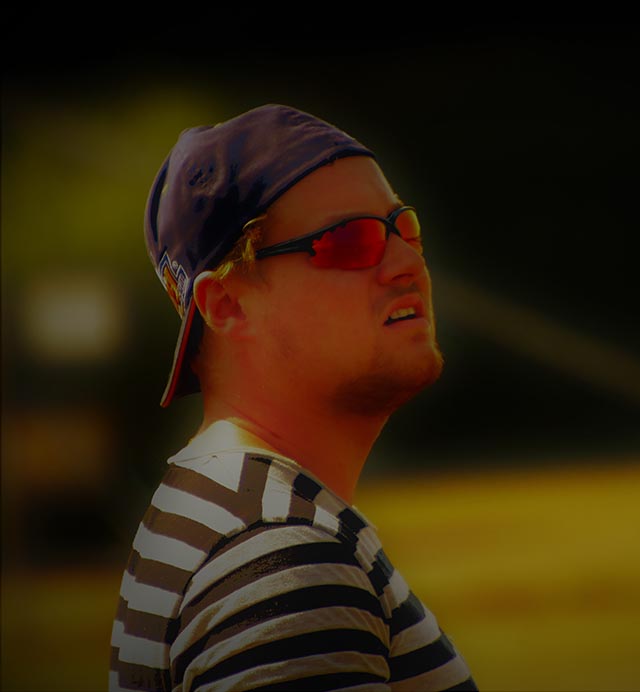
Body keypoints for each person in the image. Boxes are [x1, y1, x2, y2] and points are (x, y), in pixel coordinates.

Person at [109, 104, 477, 691]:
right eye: (350, 241)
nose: (408, 262)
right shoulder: (282, 562)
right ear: (228, 305)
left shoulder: (219, 506)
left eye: (403, 227)